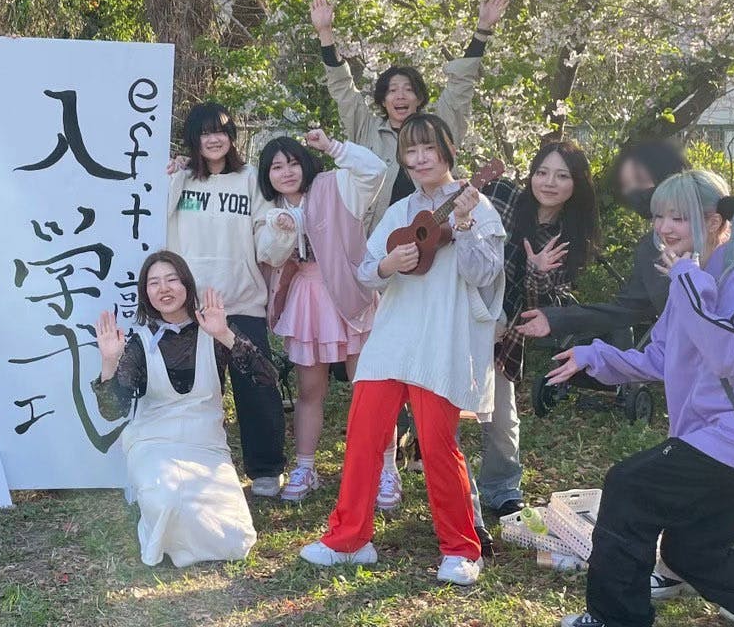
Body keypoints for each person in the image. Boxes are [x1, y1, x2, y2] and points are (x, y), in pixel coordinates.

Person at [514, 138, 734, 592]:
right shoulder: (660, 250)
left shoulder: (727, 228)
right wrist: (566, 329)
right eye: (639, 195)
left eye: (645, 179)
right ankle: (700, 574)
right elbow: (635, 313)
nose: (660, 218)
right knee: (707, 508)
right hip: (706, 400)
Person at [299, 113, 503, 588]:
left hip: (441, 338)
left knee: (437, 444)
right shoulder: (399, 211)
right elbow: (366, 272)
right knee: (363, 435)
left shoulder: (478, 205)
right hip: (392, 337)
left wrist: (465, 223)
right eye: (411, 151)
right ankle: (350, 540)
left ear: (448, 150)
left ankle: (461, 548)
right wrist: (389, 263)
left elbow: (483, 274)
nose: (420, 158)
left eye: (428, 148)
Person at [92, 252, 273, 566]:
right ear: (145, 293)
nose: (164, 288)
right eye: (154, 283)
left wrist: (224, 334)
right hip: (153, 442)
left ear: (187, 284)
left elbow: (266, 378)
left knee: (234, 536)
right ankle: (155, 516)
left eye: (171, 279)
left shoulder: (212, 332)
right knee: (167, 501)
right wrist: (109, 362)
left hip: (205, 445)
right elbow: (112, 411)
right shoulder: (141, 342)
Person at [163, 102, 288, 497]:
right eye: (204, 133)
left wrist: (283, 233)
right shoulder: (181, 179)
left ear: (231, 136)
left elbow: (268, 241)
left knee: (257, 388)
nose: (213, 139)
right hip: (192, 308)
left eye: (219, 131)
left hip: (242, 300)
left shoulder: (250, 179)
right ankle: (197, 467)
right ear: (193, 140)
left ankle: (266, 469)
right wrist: (172, 173)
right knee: (197, 393)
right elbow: (156, 224)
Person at [256, 129, 386, 503]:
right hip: (307, 298)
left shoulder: (335, 186)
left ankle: (384, 469)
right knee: (310, 390)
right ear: (267, 175)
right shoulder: (270, 209)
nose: (286, 172)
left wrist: (332, 147)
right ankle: (305, 467)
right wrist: (282, 231)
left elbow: (375, 170)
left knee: (370, 387)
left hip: (349, 292)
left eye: (293, 162)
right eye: (276, 167)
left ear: (306, 164)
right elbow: (269, 255)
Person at [309, 0, 508, 227]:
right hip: (375, 238)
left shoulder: (438, 129)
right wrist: (325, 32)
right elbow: (343, 89)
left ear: (419, 98)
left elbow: (460, 86)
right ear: (383, 100)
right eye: (392, 90)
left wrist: (483, 29)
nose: (400, 96)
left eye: (408, 89)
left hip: (436, 237)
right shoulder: (367, 129)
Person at [479, 139, 602, 519]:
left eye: (562, 176)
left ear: (576, 184)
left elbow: (540, 312)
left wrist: (536, 273)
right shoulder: (502, 197)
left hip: (504, 332)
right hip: (458, 313)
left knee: (501, 417)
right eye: (542, 172)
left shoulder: (569, 239)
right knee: (436, 407)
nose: (549, 182)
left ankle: (501, 490)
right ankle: (437, 479)